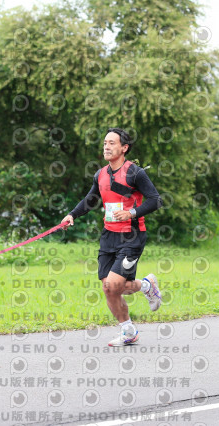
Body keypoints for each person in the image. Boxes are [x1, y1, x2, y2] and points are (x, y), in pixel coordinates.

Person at [62, 128, 163, 346]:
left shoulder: (135, 173)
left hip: (132, 235)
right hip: (109, 235)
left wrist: (131, 213)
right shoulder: (100, 174)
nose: (106, 147)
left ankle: (146, 286)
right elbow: (91, 199)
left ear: (124, 148)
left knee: (116, 285)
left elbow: (155, 200)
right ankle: (129, 330)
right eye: (105, 143)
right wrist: (72, 215)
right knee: (108, 287)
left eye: (112, 143)